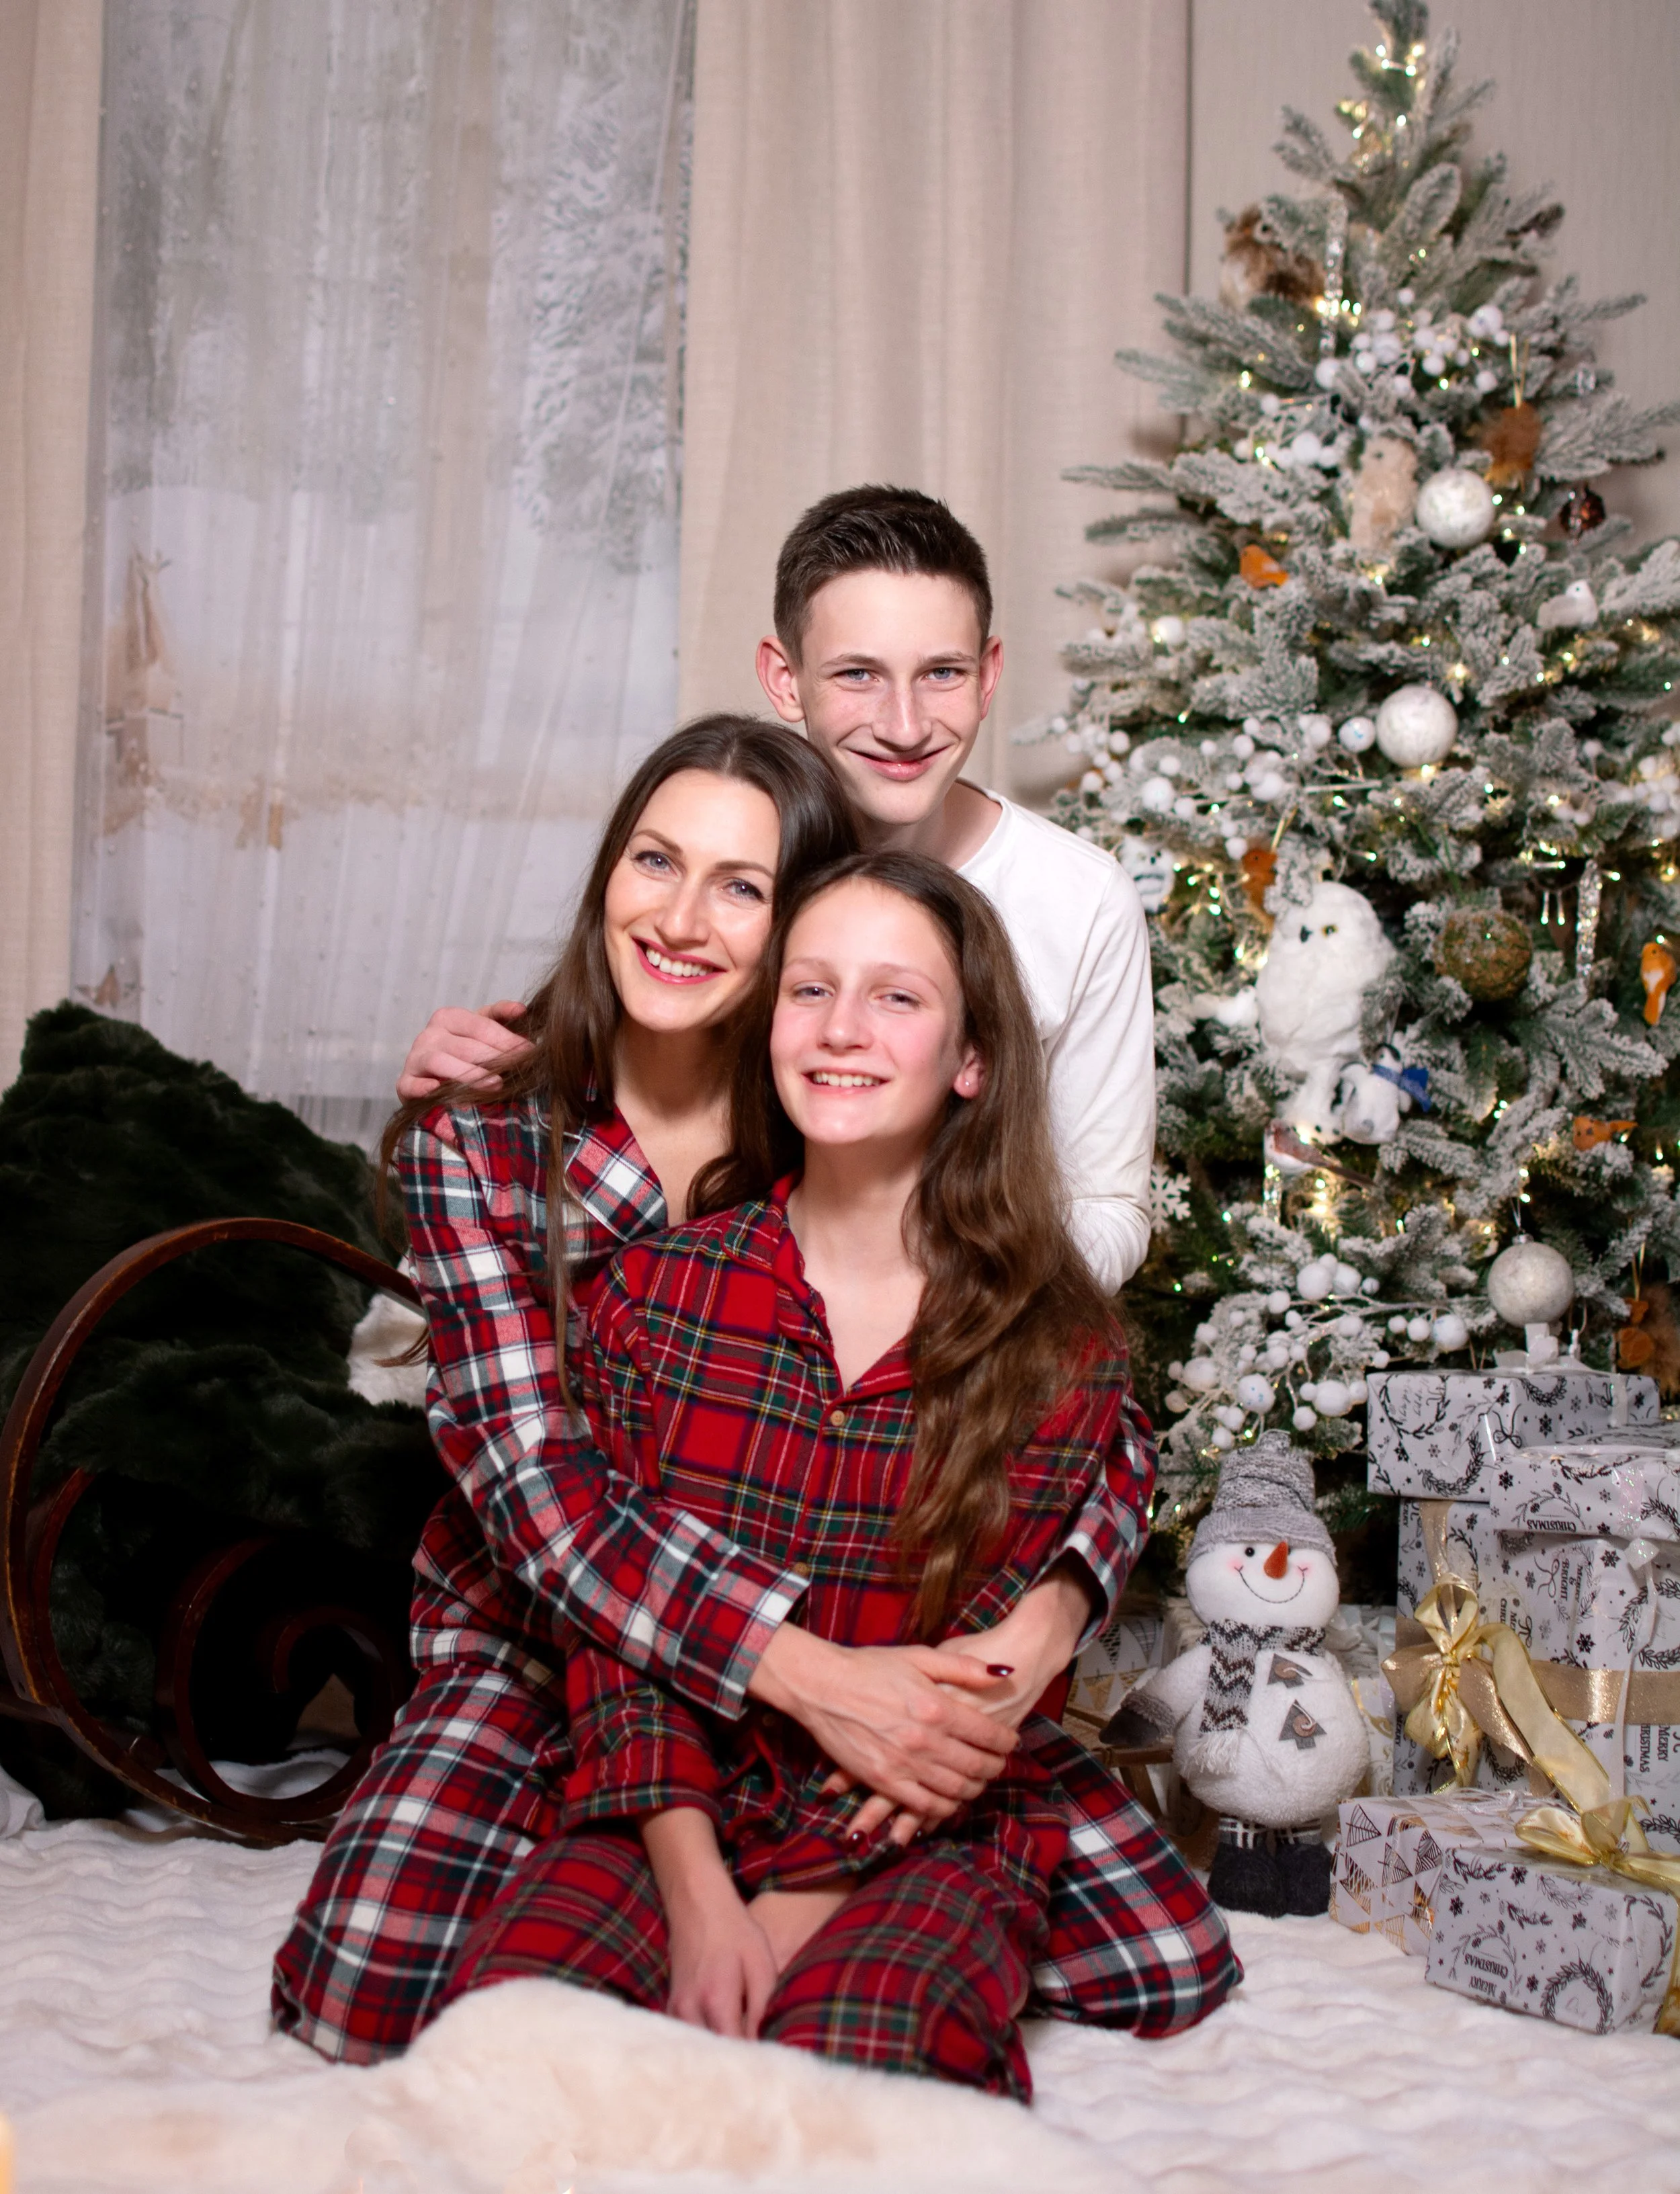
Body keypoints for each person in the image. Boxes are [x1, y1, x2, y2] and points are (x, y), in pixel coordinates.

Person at [273, 715, 1232, 2063]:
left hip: (842, 1610)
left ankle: (888, 1886)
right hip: (549, 1624)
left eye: (741, 886)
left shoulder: (818, 1098)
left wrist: (1036, 1633)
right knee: (363, 1988)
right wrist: (811, 1685)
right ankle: (623, 1877)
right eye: (654, 862)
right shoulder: (486, 1139)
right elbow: (544, 1500)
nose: (680, 915)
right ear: (606, 873)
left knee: (1029, 1930)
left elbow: (1083, 1406)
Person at [399, 484, 1154, 1290]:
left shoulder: (1082, 899)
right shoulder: (719, 840)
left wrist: (936, 1306)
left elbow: (1106, 1205)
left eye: (941, 672)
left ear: (988, 674)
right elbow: (617, 1040)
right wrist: (497, 1070)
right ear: (785, 679)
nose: (904, 725)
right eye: (858, 673)